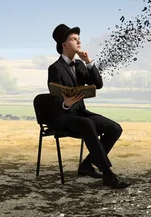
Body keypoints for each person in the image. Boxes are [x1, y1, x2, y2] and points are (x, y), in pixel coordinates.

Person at [47, 23, 130, 189]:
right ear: (64, 45)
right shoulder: (55, 68)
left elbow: (98, 84)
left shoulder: (79, 65)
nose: (78, 42)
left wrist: (89, 63)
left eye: (79, 39)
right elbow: (55, 96)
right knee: (88, 124)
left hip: (80, 112)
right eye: (73, 39)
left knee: (115, 128)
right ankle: (108, 175)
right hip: (63, 115)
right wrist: (65, 103)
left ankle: (87, 165)